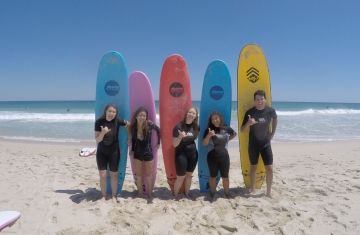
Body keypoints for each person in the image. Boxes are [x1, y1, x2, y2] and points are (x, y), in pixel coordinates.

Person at [240, 90, 277, 197]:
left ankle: (269, 192)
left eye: (261, 99)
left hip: (266, 144)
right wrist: (248, 123)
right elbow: (242, 130)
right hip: (253, 144)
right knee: (253, 167)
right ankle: (252, 189)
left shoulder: (270, 111)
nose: (260, 101)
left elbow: (275, 119)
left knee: (269, 168)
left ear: (265, 99)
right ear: (254, 101)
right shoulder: (250, 112)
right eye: (257, 99)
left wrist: (272, 133)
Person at [95, 104, 129, 202]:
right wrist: (103, 132)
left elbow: (129, 124)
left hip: (114, 151)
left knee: (114, 175)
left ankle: (114, 195)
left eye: (114, 112)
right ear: (105, 111)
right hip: (102, 152)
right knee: (103, 175)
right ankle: (103, 195)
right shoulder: (99, 122)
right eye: (109, 111)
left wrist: (130, 136)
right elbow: (97, 140)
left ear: (116, 113)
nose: (111, 113)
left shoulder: (118, 121)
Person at [203, 112, 236, 199]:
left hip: (224, 156)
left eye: (216, 118)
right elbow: (204, 143)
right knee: (213, 176)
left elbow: (234, 134)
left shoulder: (226, 128)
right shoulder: (209, 130)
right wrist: (209, 136)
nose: (215, 120)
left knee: (225, 176)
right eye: (213, 119)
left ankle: (227, 193)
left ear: (220, 118)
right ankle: (213, 193)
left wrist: (226, 140)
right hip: (212, 156)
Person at [128, 107, 160, 198]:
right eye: (140, 115)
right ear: (137, 116)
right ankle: (140, 193)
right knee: (138, 175)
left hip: (148, 153)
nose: (142, 117)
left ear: (146, 117)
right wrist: (132, 150)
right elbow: (133, 140)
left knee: (149, 175)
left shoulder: (149, 125)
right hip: (137, 153)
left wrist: (158, 143)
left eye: (144, 115)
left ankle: (149, 193)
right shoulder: (133, 127)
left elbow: (158, 130)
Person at [172, 107, 200, 199]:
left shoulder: (196, 127)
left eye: (193, 113)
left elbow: (194, 139)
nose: (191, 114)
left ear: (195, 116)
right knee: (181, 176)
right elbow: (174, 144)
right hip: (181, 155)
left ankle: (187, 193)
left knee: (189, 175)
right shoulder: (178, 127)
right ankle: (175, 195)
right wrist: (180, 137)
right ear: (186, 114)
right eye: (190, 112)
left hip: (193, 154)